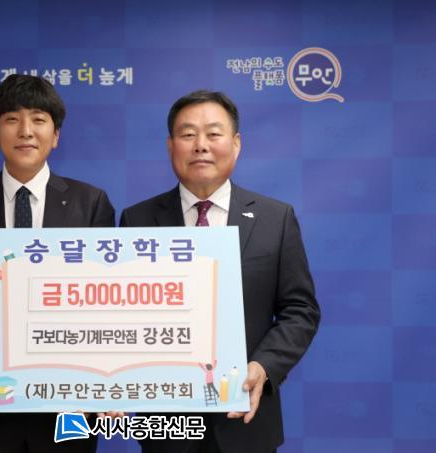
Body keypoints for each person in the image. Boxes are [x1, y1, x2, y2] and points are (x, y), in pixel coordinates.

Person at [119, 90, 320, 453]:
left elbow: (300, 310)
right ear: (170, 146)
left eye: (213, 133)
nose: (201, 145)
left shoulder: (275, 218)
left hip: (246, 422)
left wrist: (264, 366)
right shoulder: (137, 221)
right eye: (188, 134)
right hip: (169, 424)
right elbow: (121, 314)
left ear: (236, 144)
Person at [0, 74, 115, 452]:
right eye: (12, 119)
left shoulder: (91, 203)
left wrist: (102, 377)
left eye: (38, 119)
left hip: (68, 405)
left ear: (56, 135)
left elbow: (105, 303)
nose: (25, 130)